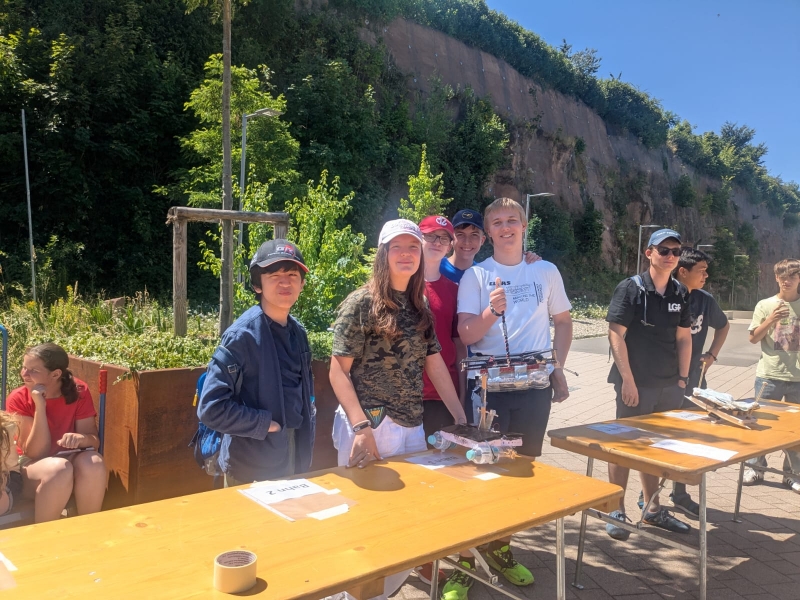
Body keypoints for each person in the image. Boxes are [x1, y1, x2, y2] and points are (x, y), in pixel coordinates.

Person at [330, 219, 467, 600]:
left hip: (411, 427)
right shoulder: (362, 303)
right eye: (397, 247)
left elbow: (434, 362)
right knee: (363, 521)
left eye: (412, 247)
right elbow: (337, 371)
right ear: (383, 254)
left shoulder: (419, 305)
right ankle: (346, 594)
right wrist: (360, 427)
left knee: (405, 524)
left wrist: (459, 417)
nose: (406, 254)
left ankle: (377, 593)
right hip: (371, 426)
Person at [449, 197, 573, 599]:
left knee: (519, 472)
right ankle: (465, 561)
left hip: (534, 390)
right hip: (488, 391)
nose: (506, 227)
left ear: (524, 225)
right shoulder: (477, 276)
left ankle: (499, 547)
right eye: (498, 222)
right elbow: (466, 334)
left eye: (512, 220)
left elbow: (564, 322)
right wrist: (490, 312)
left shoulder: (545, 270)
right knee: (480, 472)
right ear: (490, 231)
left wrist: (557, 367)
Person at [197, 239, 315, 486]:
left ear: (302, 283)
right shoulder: (242, 336)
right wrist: (265, 425)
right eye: (274, 274)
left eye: (293, 274)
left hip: (294, 455)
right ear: (257, 284)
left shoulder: (299, 333)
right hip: (251, 466)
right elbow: (210, 408)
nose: (285, 282)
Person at [604, 229, 692, 540]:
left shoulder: (680, 292)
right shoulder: (631, 288)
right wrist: (627, 380)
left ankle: (652, 508)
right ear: (649, 253)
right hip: (636, 384)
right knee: (625, 446)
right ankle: (616, 508)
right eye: (664, 250)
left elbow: (684, 337)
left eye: (676, 251)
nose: (670, 256)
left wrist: (682, 379)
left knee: (655, 449)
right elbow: (616, 334)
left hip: (669, 384)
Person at [636, 247, 731, 518]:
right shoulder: (662, 296)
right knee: (657, 439)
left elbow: (723, 326)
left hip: (693, 381)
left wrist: (712, 355)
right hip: (662, 381)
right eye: (701, 271)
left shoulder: (704, 300)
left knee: (687, 439)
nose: (706, 275)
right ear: (683, 272)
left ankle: (679, 493)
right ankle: (647, 495)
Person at [7, 343, 107, 523]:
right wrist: (40, 406)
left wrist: (81, 439)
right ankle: (45, 538)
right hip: (31, 469)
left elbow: (93, 442)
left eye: (33, 370)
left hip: (68, 459)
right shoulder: (18, 398)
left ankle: (89, 529)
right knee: (59, 469)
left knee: (94, 463)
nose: (24, 374)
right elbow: (35, 453)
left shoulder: (78, 391)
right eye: (24, 367)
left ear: (55, 374)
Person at [743, 258, 800, 492]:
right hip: (769, 375)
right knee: (760, 425)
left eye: (792, 276)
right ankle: (756, 467)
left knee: (796, 430)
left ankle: (792, 473)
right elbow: (753, 338)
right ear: (776, 278)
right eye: (782, 276)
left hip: (798, 379)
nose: (786, 280)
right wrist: (771, 320)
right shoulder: (765, 305)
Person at [419, 215, 466, 440]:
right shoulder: (400, 286)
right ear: (419, 238)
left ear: (450, 246)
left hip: (442, 395)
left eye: (444, 239)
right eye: (431, 236)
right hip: (406, 393)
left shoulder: (455, 290)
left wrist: (463, 395)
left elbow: (458, 345)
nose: (437, 242)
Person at [440, 210, 486, 284]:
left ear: (482, 240)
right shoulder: (436, 268)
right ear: (451, 238)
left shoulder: (483, 275)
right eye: (460, 234)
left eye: (474, 235)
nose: (467, 242)